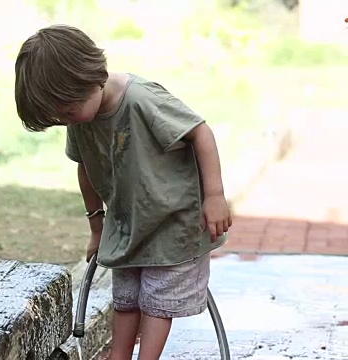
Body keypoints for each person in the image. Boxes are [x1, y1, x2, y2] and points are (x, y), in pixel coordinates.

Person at [13, 24, 232, 360]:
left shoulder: (142, 100)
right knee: (127, 298)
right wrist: (97, 228)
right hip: (128, 225)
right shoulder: (80, 119)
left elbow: (200, 133)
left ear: (88, 78)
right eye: (57, 118)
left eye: (67, 112)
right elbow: (84, 167)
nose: (65, 120)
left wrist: (215, 196)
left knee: (157, 299)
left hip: (172, 222)